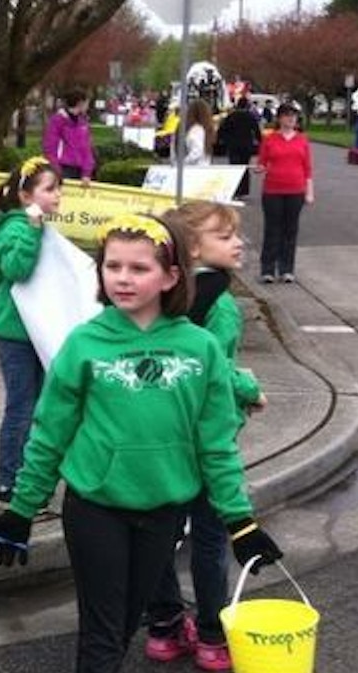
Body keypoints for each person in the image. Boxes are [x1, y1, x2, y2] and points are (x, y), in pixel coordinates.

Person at [0, 213, 284, 673]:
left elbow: (216, 445)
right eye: (112, 266)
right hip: (95, 506)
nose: (122, 278)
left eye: (138, 268)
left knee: (123, 625)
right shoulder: (84, 344)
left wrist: (239, 521)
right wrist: (22, 509)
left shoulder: (199, 348)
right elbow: (49, 434)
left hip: (165, 510)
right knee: (102, 635)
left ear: (171, 276)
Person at [141, 202, 267, 672]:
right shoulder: (223, 305)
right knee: (211, 541)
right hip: (208, 442)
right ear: (192, 246)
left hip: (164, 436)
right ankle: (213, 638)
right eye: (225, 235)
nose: (238, 243)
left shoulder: (160, 295)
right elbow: (216, 368)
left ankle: (164, 628)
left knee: (161, 537)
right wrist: (250, 388)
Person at [0, 156, 62, 504]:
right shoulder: (15, 229)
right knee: (22, 407)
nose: (58, 195)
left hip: (36, 330)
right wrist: (31, 229)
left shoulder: (39, 227)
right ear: (26, 197)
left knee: (41, 408)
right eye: (50, 189)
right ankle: (8, 480)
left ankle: (30, 479)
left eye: (60, 188)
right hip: (14, 334)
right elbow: (16, 269)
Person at [253, 103, 314, 284]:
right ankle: (268, 269)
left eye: (293, 116)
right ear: (279, 118)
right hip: (273, 190)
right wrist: (260, 169)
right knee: (272, 230)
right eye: (287, 116)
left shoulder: (302, 140)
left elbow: (308, 169)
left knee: (290, 230)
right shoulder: (270, 139)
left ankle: (287, 268)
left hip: (296, 190)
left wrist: (310, 192)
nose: (290, 119)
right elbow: (261, 162)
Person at [43, 89, 95, 185]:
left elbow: (87, 148)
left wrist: (87, 173)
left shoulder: (83, 122)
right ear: (80, 103)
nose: (88, 106)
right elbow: (50, 147)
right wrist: (56, 171)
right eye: (87, 103)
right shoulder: (57, 121)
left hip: (80, 171)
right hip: (63, 168)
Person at [216, 97, 264, 199]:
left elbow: (222, 130)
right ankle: (243, 190)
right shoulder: (250, 117)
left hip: (233, 145)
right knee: (244, 167)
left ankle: (234, 189)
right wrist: (260, 142)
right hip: (246, 145)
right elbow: (256, 131)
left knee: (234, 167)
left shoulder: (231, 116)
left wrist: (224, 140)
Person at [178, 99, 216, 167]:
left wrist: (183, 162)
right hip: (204, 166)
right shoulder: (206, 130)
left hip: (193, 168)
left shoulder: (196, 130)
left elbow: (197, 151)